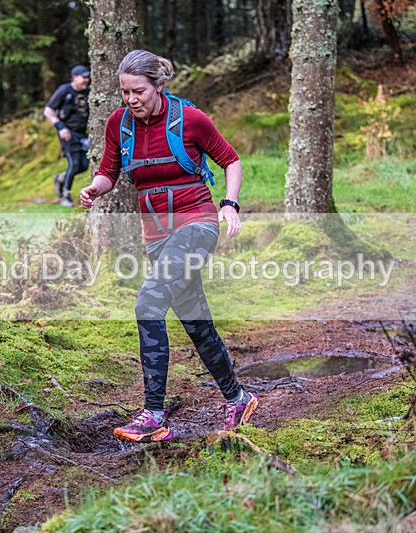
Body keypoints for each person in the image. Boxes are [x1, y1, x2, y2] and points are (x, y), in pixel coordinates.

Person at [80, 50, 258, 443]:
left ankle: (154, 414)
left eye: (138, 91)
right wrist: (95, 188)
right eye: (125, 92)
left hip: (196, 225)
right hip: (156, 236)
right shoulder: (119, 124)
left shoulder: (189, 119)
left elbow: (231, 160)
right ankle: (238, 397)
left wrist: (229, 204)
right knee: (195, 320)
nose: (131, 99)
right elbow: (109, 172)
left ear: (159, 86)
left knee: (148, 303)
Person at [44, 65, 91, 207]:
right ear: (74, 78)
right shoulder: (64, 91)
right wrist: (60, 127)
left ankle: (61, 178)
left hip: (83, 135)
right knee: (74, 163)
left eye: (87, 77)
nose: (86, 80)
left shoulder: (89, 92)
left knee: (84, 166)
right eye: (83, 77)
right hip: (67, 134)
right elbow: (48, 110)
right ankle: (65, 197)